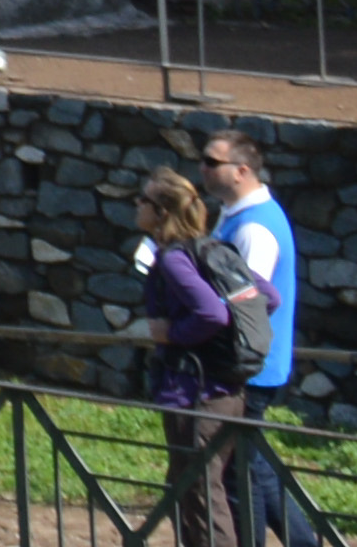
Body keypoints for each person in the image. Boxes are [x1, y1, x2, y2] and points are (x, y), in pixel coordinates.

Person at [196, 127, 328, 547]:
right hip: (253, 364)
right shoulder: (235, 214)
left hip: (249, 368)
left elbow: (248, 304)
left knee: (240, 477)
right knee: (255, 469)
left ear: (241, 170)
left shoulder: (254, 229)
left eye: (211, 161)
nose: (202, 167)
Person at [132, 163, 246, 547]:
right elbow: (268, 297)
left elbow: (212, 313)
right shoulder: (212, 249)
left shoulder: (174, 259)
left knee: (201, 495)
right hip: (227, 390)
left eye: (142, 200)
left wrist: (174, 336)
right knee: (192, 488)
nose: (136, 205)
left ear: (161, 212)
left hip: (193, 393)